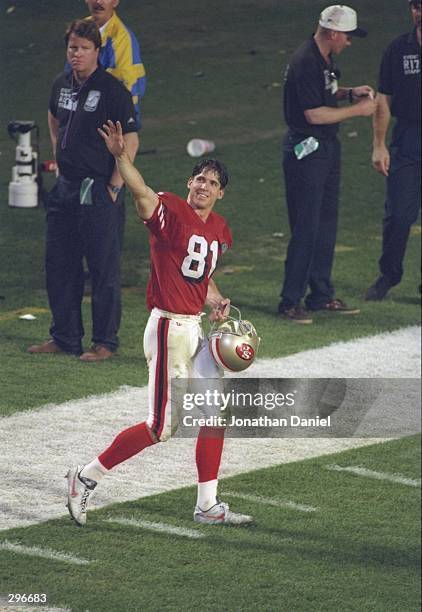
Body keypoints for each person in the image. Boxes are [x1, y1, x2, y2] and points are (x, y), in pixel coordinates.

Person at [65, 120, 253, 526]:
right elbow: (141, 191)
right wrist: (121, 156)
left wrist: (216, 299)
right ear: (190, 182)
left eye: (212, 182)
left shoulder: (219, 229)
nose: (203, 185)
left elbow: (199, 274)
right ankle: (85, 477)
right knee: (160, 427)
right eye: (199, 178)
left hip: (194, 329)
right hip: (168, 328)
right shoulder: (170, 208)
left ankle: (208, 505)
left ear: (221, 192)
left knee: (213, 416)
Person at [28, 20, 139, 361]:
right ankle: (64, 336)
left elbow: (131, 139)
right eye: (72, 48)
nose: (76, 54)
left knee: (103, 268)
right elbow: (52, 117)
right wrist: (58, 150)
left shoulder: (112, 90)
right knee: (59, 264)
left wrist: (116, 185)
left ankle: (105, 342)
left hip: (98, 191)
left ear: (97, 52)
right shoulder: (61, 84)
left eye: (83, 48)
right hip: (65, 190)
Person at [278, 5, 377, 324]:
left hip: (325, 149)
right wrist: (358, 111)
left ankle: (320, 295)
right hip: (307, 152)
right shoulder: (306, 61)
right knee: (306, 227)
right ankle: (290, 301)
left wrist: (350, 93)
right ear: (334, 33)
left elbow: (326, 95)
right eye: (347, 36)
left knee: (325, 225)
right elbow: (314, 114)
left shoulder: (323, 59)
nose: (348, 42)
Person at [365, 0, 421, 301]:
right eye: (416, 5)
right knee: (399, 215)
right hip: (409, 137)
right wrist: (379, 144)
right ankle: (389, 274)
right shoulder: (398, 49)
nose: (419, 11)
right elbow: (383, 99)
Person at [85, 0, 146, 131]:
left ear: (115, 2)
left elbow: (121, 88)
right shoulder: (81, 29)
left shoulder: (121, 38)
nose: (98, 1)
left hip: (116, 119)